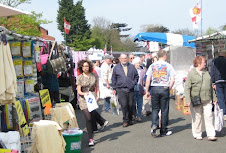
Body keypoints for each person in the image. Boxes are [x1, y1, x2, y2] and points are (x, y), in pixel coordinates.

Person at [76, 59, 109, 146]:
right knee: (88, 118)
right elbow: (79, 91)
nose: (85, 68)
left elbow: (97, 87)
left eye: (86, 66)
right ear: (81, 67)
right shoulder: (80, 77)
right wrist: (84, 93)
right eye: (83, 66)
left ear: (89, 67)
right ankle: (91, 137)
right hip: (83, 98)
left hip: (92, 96)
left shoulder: (94, 75)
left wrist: (98, 95)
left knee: (92, 113)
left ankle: (92, 135)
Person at [185, 56, 217, 141]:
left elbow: (210, 86)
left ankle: (211, 134)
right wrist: (188, 99)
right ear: (198, 63)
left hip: (207, 98)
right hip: (196, 99)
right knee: (197, 117)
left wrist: (214, 98)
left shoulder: (206, 72)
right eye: (204, 62)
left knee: (209, 116)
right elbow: (187, 87)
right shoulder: (192, 73)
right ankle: (197, 133)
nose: (205, 64)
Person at [145, 50, 175, 137]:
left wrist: (147, 91)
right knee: (164, 110)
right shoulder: (168, 66)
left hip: (154, 87)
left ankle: (154, 125)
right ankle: (163, 130)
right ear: (165, 56)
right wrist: (169, 87)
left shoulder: (152, 65)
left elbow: (148, 79)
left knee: (155, 108)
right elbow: (173, 79)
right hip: (164, 87)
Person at [112, 53, 139, 127]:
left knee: (130, 105)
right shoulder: (116, 68)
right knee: (124, 105)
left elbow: (136, 76)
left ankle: (130, 119)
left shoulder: (132, 67)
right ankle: (125, 120)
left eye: (125, 58)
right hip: (121, 89)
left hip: (130, 89)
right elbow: (114, 78)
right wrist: (114, 88)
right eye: (122, 58)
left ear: (127, 59)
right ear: (120, 59)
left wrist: (134, 83)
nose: (124, 60)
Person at [210, 49, 226, 120]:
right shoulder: (225, 60)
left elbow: (212, 72)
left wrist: (213, 82)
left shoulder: (214, 61)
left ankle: (223, 113)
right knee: (225, 96)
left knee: (220, 97)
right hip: (225, 80)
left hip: (217, 81)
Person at [132, 57, 146, 122]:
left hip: (140, 89)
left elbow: (144, 81)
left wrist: (145, 88)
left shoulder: (142, 71)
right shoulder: (131, 70)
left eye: (139, 63)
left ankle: (139, 116)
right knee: (133, 103)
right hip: (133, 89)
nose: (138, 64)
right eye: (137, 63)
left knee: (140, 103)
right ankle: (134, 114)